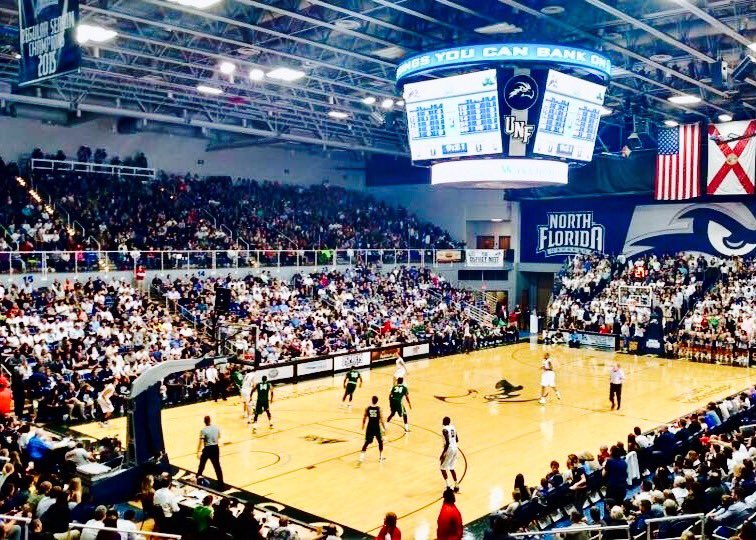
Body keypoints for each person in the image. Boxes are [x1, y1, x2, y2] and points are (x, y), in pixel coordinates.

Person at [197, 415, 224, 489]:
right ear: (210, 420)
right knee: (217, 467)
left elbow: (201, 441)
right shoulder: (216, 428)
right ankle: (221, 484)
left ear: (204, 421)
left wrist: (198, 451)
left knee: (202, 465)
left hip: (207, 449)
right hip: (215, 448)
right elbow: (218, 437)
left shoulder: (203, 430)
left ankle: (198, 478)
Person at [360, 396, 386, 463]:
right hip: (376, 427)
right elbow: (382, 420)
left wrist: (363, 425)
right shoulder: (379, 409)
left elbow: (364, 417)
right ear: (377, 401)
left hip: (370, 427)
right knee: (380, 442)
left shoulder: (367, 408)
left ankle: (361, 457)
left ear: (372, 400)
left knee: (367, 442)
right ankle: (381, 457)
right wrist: (384, 428)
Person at [440, 417, 460, 493]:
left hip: (449, 449)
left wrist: (443, 453)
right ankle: (456, 485)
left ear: (444, 422)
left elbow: (448, 442)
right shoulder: (453, 427)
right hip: (455, 448)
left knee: (442, 468)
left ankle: (448, 486)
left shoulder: (444, 430)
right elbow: (457, 439)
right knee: (451, 467)